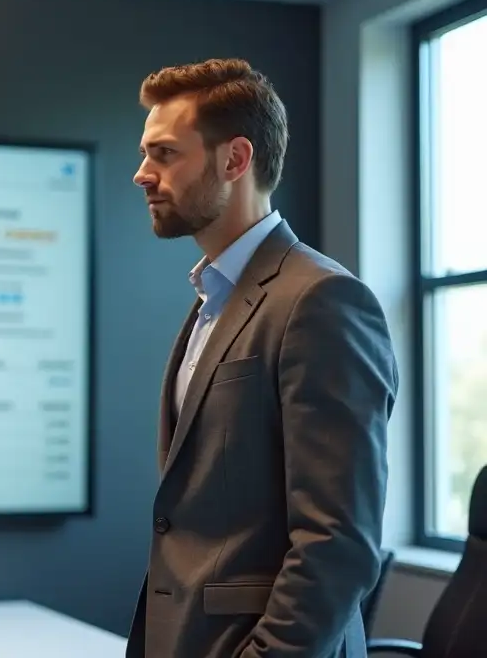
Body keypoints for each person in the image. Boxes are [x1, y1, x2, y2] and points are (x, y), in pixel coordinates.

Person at [124, 58, 399, 658]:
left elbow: (338, 542)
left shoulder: (322, 300)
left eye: (164, 154)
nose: (142, 174)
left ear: (235, 160)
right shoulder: (213, 299)